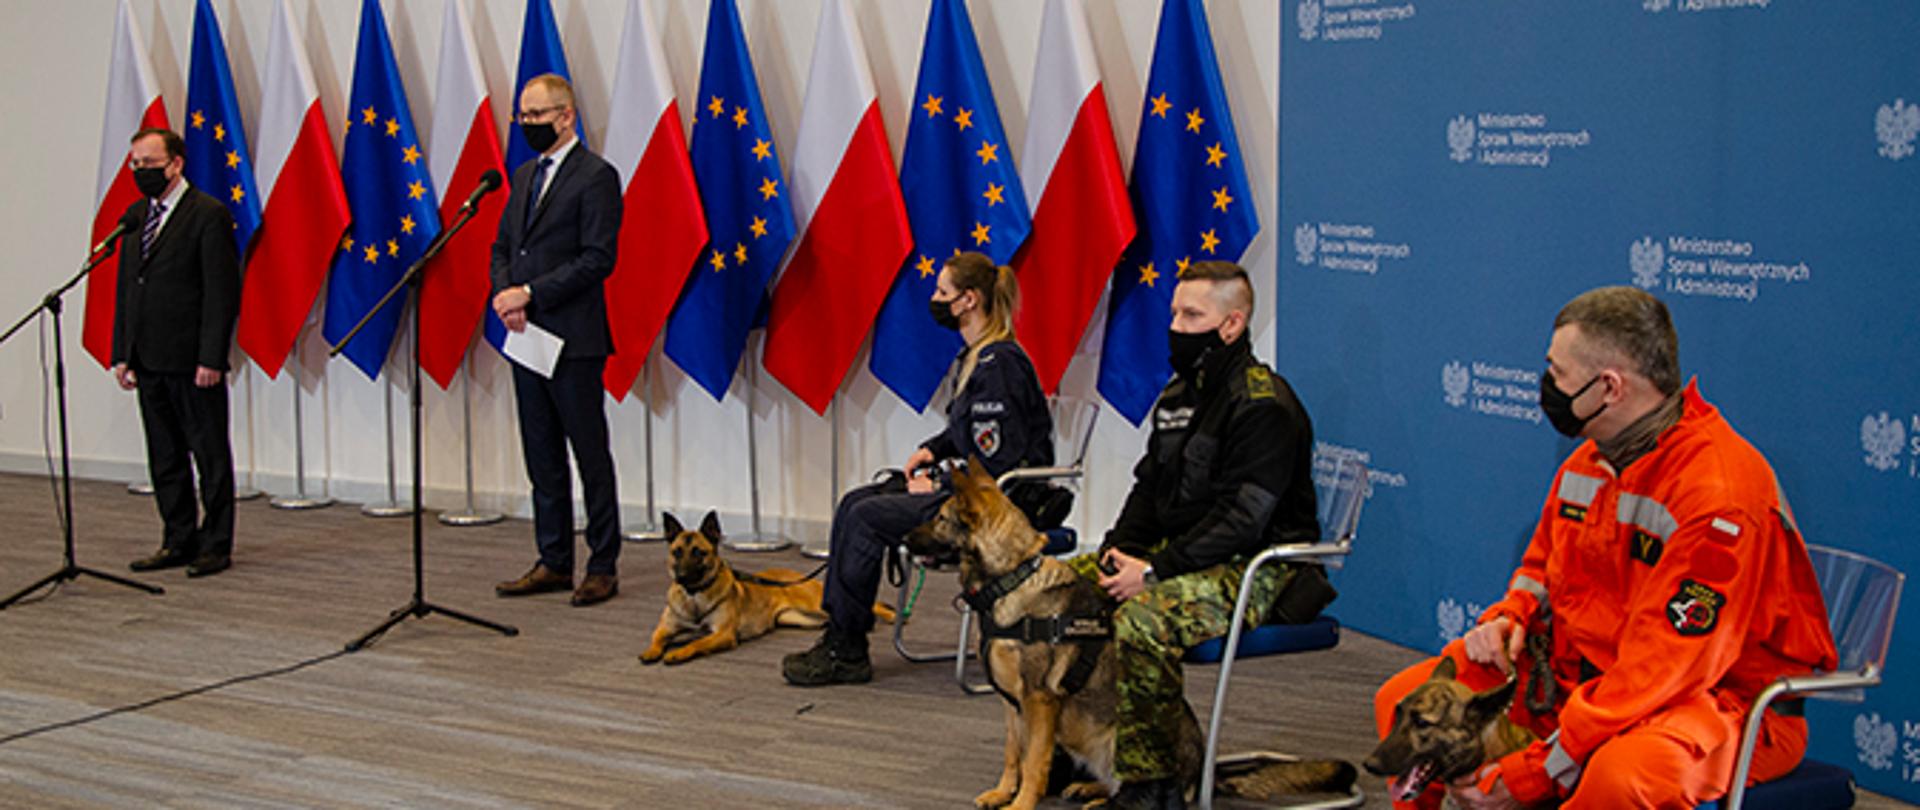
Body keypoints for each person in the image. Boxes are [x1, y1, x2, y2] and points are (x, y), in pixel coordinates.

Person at [1372, 286, 1839, 809]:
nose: (1546, 383)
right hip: (1581, 680)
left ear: (1609, 387)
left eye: (1557, 372)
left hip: (1714, 702)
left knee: (1620, 777)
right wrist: (1512, 615)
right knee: (1402, 703)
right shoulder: (1590, 462)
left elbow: (1666, 666)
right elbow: (1539, 569)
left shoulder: (1719, 494)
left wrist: (1537, 769)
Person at [1080, 261, 1323, 810]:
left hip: (1262, 566)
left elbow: (1245, 520)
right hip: (1186, 555)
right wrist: (1119, 550)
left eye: (1192, 315)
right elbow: (1149, 489)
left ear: (1232, 324)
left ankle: (1154, 782)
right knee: (1059, 587)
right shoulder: (1177, 395)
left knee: (1144, 620)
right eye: (1174, 313)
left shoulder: (1263, 403)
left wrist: (1156, 572)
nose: (1176, 326)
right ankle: (1079, 748)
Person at [783, 251, 1054, 687]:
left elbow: (997, 462)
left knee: (866, 517)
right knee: (856, 500)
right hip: (975, 496)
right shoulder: (976, 358)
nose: (935, 299)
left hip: (997, 509)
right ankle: (839, 635)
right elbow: (968, 434)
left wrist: (941, 482)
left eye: (942, 292)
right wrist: (933, 450)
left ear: (968, 301)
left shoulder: (999, 366)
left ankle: (846, 648)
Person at [489, 74, 625, 608]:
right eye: (521, 117)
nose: (527, 126)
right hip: (527, 337)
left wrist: (531, 292)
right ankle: (552, 559)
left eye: (537, 117)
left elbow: (598, 258)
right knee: (540, 451)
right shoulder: (523, 175)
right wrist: (507, 293)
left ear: (566, 116)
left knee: (589, 453)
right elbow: (503, 245)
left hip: (573, 338)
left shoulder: (596, 176)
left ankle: (602, 563)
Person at [114, 127, 241, 579]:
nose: (140, 172)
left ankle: (216, 544)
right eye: (135, 164)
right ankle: (177, 538)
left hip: (192, 362)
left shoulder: (207, 214)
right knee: (164, 457)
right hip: (147, 359)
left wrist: (211, 356)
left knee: (209, 455)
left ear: (176, 164)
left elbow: (221, 293)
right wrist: (121, 353)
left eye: (149, 164)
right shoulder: (135, 216)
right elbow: (128, 289)